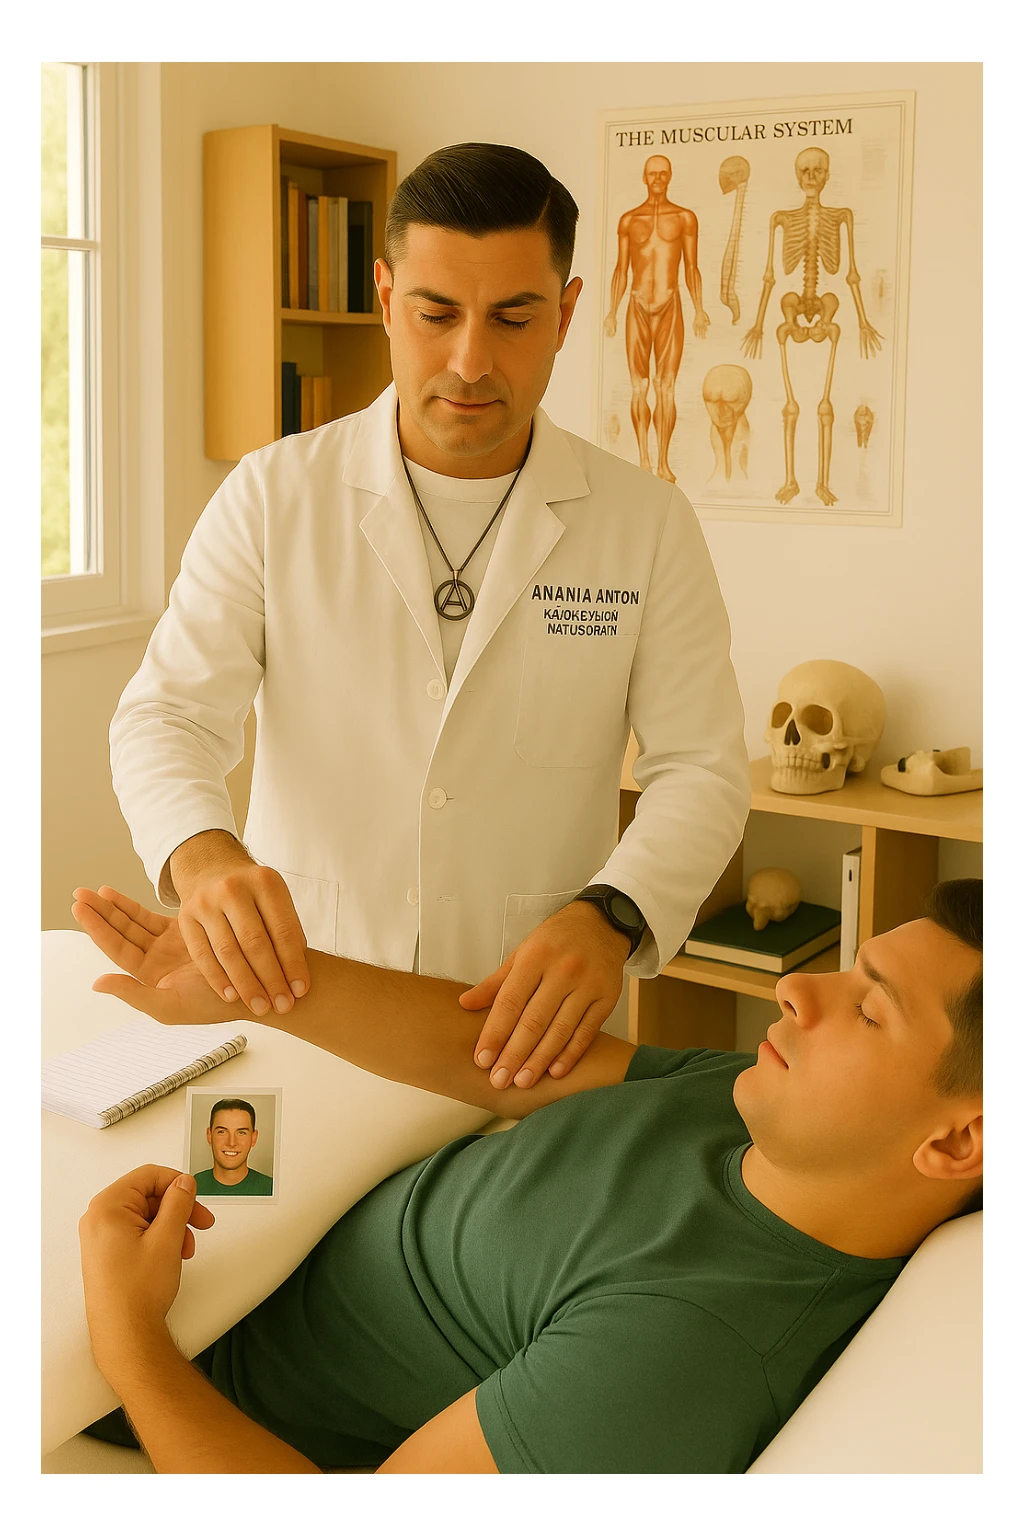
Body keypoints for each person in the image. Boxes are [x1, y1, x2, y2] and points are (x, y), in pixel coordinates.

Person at [108, 141, 749, 1099]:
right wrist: (203, 857)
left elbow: (700, 767)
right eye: (436, 313)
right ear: (383, 295)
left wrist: (611, 914)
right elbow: (166, 716)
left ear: (568, 313)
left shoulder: (644, 524)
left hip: (521, 1029)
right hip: (303, 998)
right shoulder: (274, 496)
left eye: (514, 317)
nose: (470, 361)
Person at [74, 877, 982, 1474]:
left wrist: (128, 1339)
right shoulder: (758, 1110)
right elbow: (497, 1056)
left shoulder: (677, 1356)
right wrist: (256, 987)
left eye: (868, 1009)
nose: (798, 991)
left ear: (954, 1144)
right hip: (249, 1248)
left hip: (171, 1363)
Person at [193, 1099, 273, 1197]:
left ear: (253, 1138)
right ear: (209, 1136)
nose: (231, 1143)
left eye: (241, 1133)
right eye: (222, 1132)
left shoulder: (270, 1188)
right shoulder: (192, 1186)